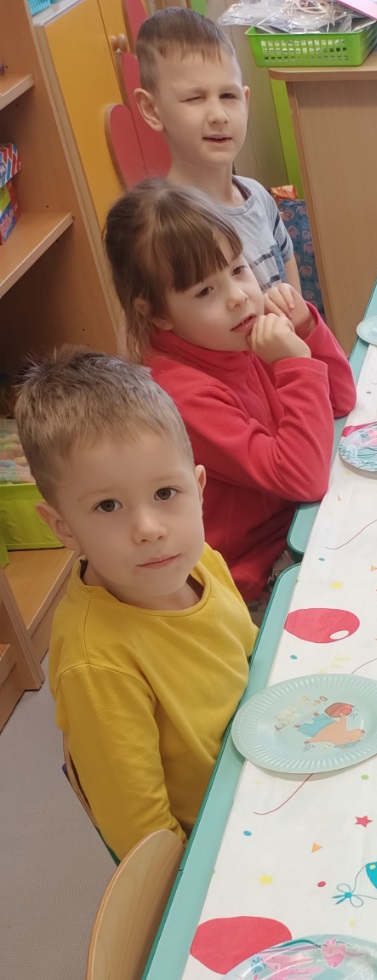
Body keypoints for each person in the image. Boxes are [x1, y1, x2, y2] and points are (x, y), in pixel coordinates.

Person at [14, 351, 256, 860]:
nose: (149, 529)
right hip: (222, 838)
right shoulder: (96, 665)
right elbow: (143, 836)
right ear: (62, 527)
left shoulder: (200, 560)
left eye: (166, 492)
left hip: (264, 757)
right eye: (108, 505)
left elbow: (253, 657)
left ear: (198, 488)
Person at [103, 180, 356, 604]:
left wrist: (308, 328)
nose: (238, 298)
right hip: (258, 574)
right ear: (158, 314)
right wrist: (295, 365)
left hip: (299, 524)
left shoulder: (234, 333)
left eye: (238, 270)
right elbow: (305, 478)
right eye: (205, 291)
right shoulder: (180, 396)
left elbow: (340, 401)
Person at [134, 7, 299, 293]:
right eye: (195, 98)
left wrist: (301, 320)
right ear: (152, 109)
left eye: (228, 96)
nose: (218, 115)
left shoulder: (257, 196)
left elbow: (296, 298)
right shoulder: (165, 231)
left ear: (245, 102)